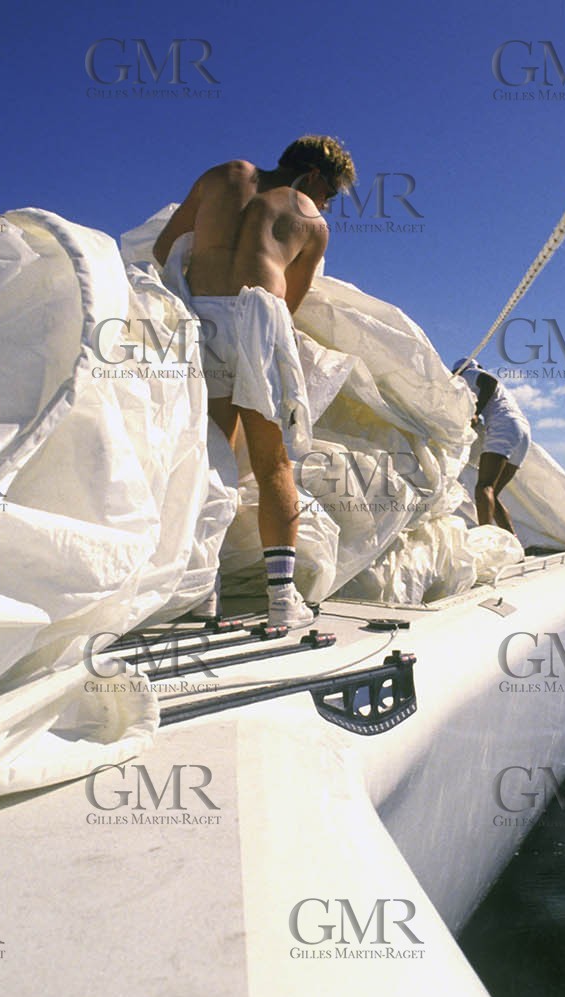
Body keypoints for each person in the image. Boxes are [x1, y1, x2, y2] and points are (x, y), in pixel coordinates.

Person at [154, 135, 356, 629]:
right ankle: (282, 600)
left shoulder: (224, 174)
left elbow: (165, 247)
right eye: (329, 192)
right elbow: (288, 305)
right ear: (311, 178)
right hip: (258, 319)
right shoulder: (310, 217)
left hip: (200, 318)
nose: (326, 203)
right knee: (273, 465)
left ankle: (204, 592)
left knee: (209, 456)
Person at [452, 358, 530, 537]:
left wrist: (476, 413)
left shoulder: (467, 374)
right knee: (492, 493)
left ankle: (484, 542)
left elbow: (489, 383)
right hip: (523, 431)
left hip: (503, 424)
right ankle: (514, 544)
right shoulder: (503, 395)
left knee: (483, 487)